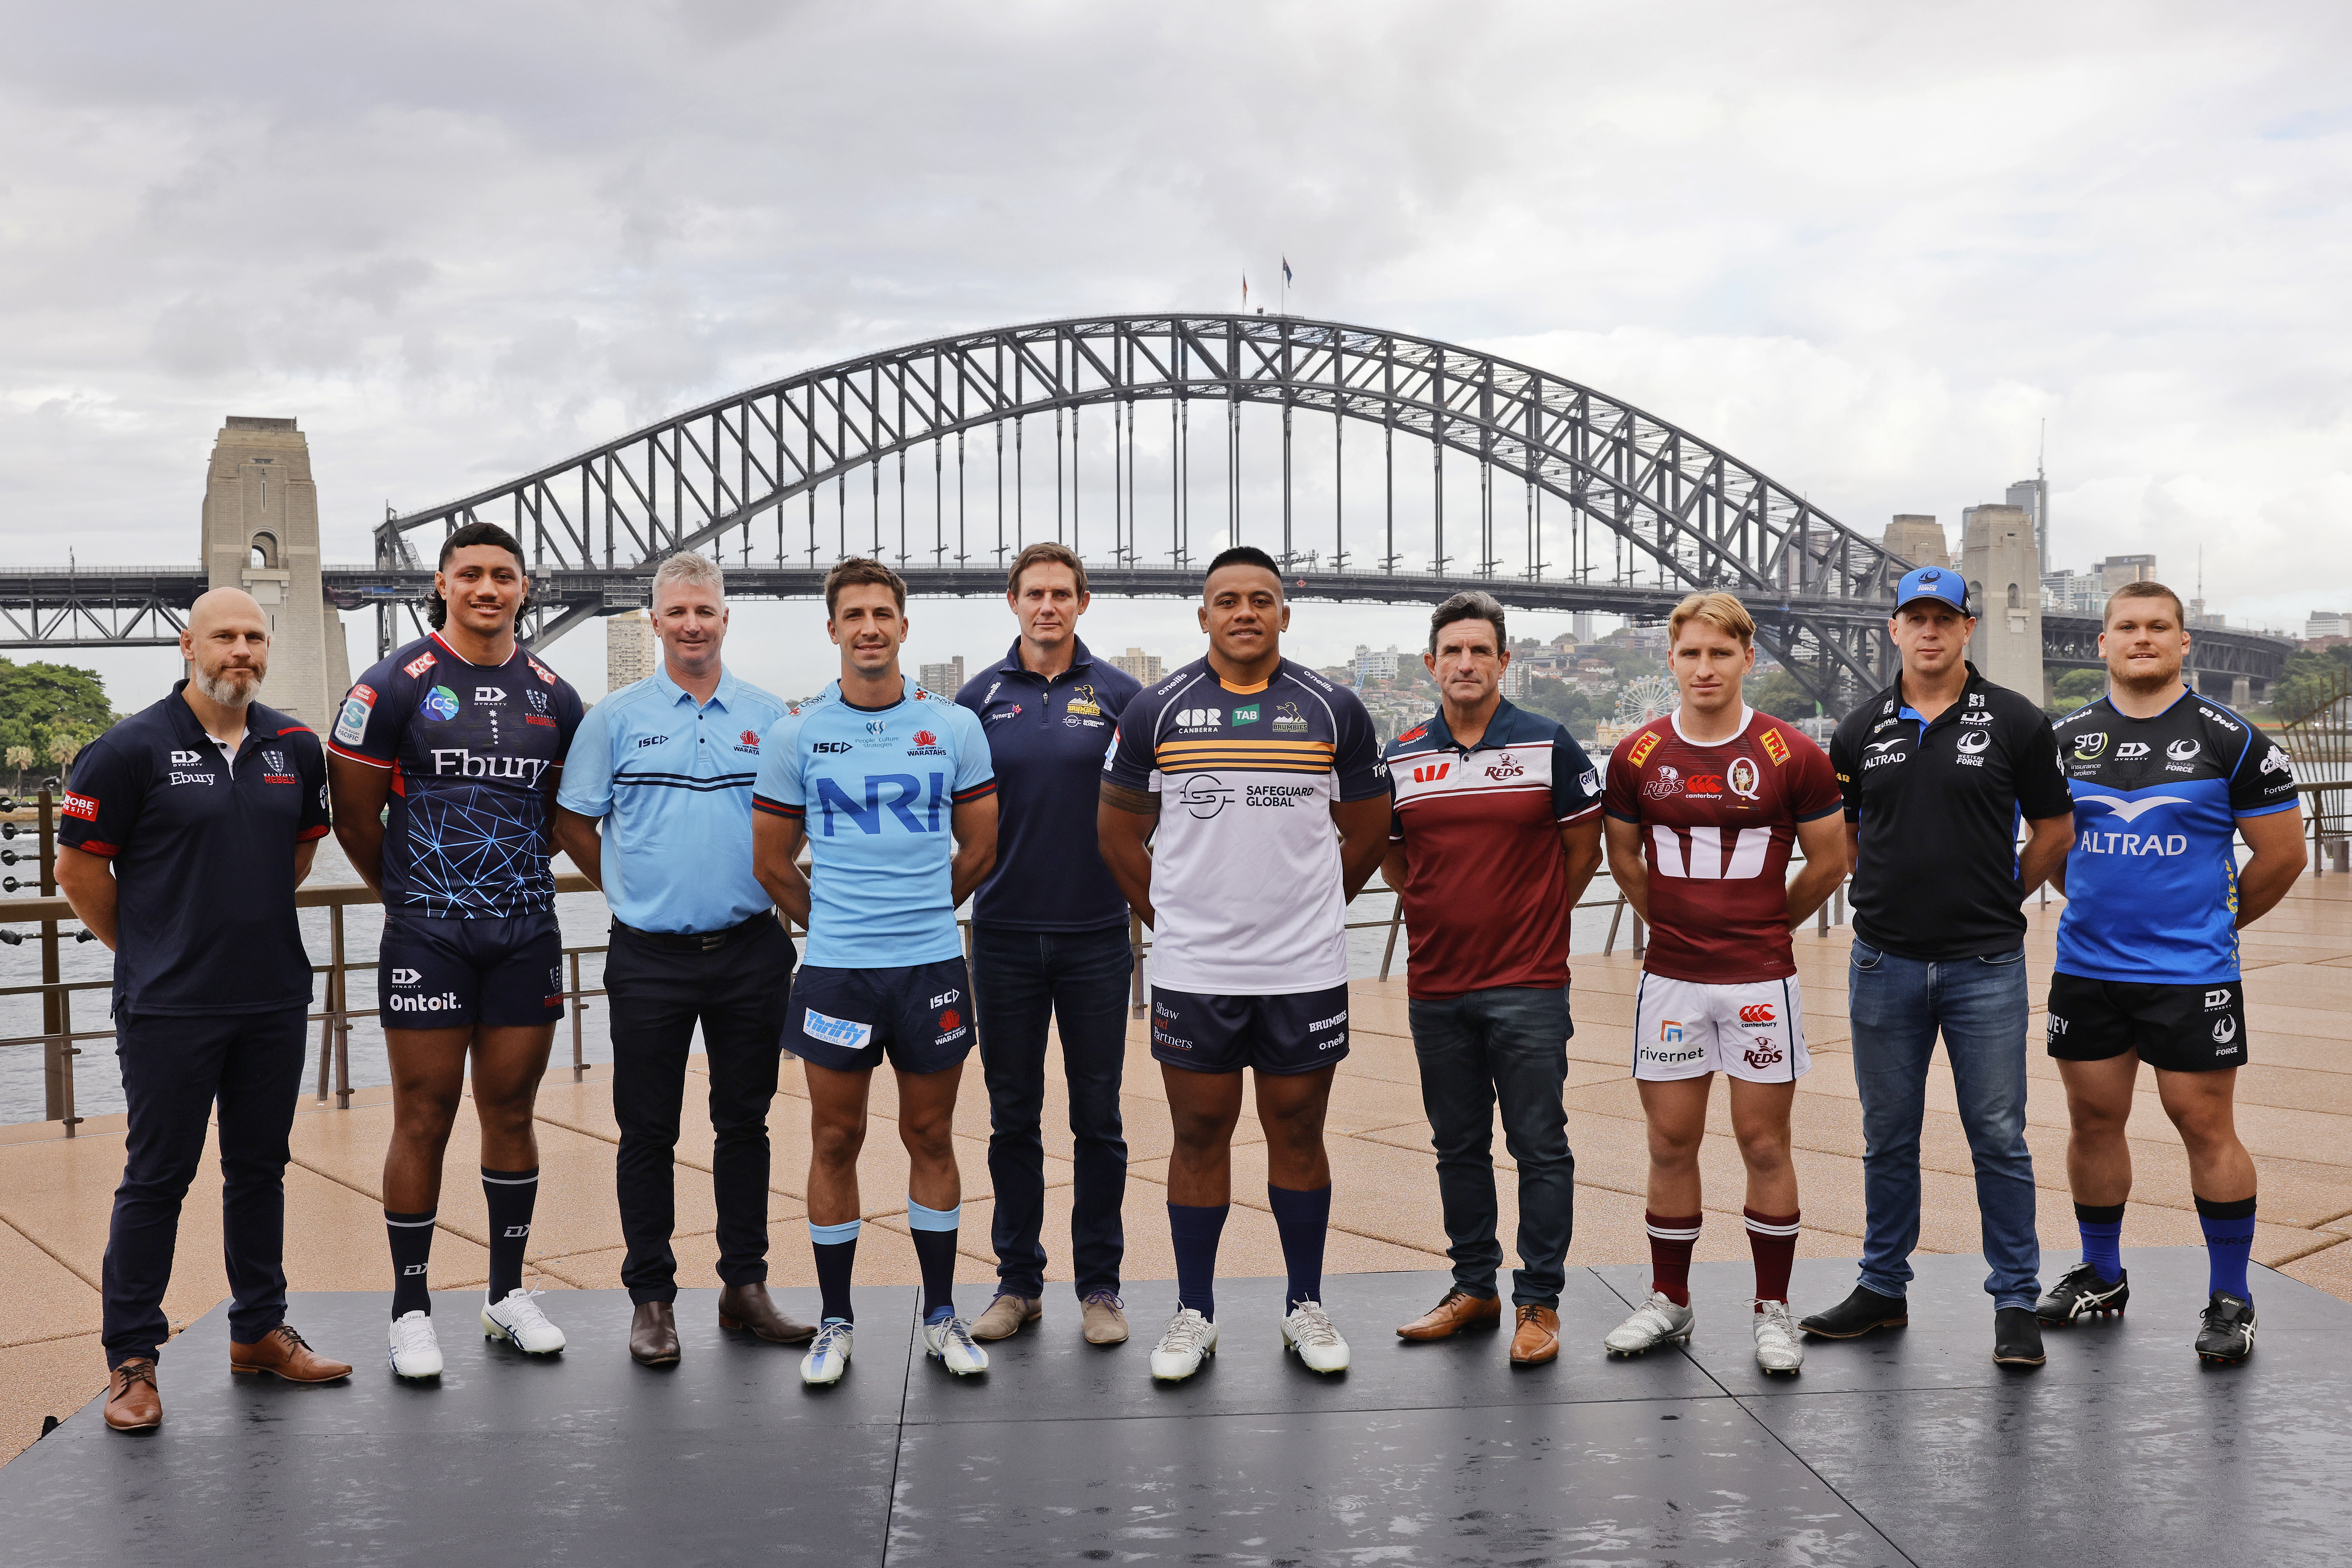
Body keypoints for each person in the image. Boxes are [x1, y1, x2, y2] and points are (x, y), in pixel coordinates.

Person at [56, 588, 355, 1430]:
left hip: (270, 998)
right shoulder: (127, 750)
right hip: (169, 1008)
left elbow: (298, 856)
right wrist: (155, 950)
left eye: (255, 637)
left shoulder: (295, 747)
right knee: (157, 1179)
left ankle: (259, 1330)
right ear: (189, 645)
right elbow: (80, 877)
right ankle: (132, 1362)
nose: (242, 651)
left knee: (260, 1171)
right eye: (224, 635)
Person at [1098, 545, 1390, 1383]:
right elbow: (1116, 835)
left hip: (1302, 968)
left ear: (1284, 614)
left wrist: (1312, 908)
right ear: (1203, 615)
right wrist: (1177, 921)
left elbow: (1370, 829)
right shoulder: (1157, 708)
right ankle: (1196, 1312)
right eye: (1227, 599)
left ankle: (1305, 1304)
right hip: (1196, 969)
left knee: (1298, 1129)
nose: (1245, 612)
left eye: (1261, 598)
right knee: (1198, 1133)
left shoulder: (1335, 707)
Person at [328, 521, 585, 1379]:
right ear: (441, 582)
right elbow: (357, 821)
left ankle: (506, 1294)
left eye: (503, 576)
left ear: (524, 588)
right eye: (470, 574)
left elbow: (561, 817)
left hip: (524, 931)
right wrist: (412, 890)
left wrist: (500, 870)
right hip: (427, 933)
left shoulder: (555, 694)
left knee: (511, 1111)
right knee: (424, 1115)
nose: (487, 588)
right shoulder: (393, 684)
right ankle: (409, 1308)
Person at [1804, 566, 2074, 1367]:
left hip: (1984, 964)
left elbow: (2054, 833)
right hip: (1883, 962)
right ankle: (1882, 1290)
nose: (1928, 631)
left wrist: (2001, 896)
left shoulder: (2019, 722)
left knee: (1998, 1137)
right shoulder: (1857, 730)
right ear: (1893, 629)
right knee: (1887, 1136)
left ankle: (2017, 1302)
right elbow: (1845, 840)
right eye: (1914, 618)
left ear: (1967, 628)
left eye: (1943, 619)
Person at [551, 552, 808, 1367]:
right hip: (650, 956)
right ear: (655, 623)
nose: (692, 624)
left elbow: (797, 823)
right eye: (678, 613)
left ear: (725, 620)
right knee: (647, 1132)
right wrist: (630, 891)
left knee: (746, 1124)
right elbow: (574, 821)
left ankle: (745, 1287)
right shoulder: (615, 718)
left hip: (749, 950)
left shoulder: (773, 718)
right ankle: (652, 1299)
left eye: (706, 611)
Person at [2039, 581, 2303, 1363]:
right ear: (2104, 644)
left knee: (2204, 1124)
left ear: (2184, 642)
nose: (2143, 638)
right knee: (2092, 1122)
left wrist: (2213, 925)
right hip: (2088, 968)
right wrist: (2098, 905)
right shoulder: (2063, 739)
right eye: (2128, 626)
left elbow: (2284, 856)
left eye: (2159, 627)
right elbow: (2053, 851)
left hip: (2192, 974)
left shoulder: (2234, 738)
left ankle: (2231, 1298)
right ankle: (2104, 1274)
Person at [750, 558, 999, 1386]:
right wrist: (842, 927)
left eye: (882, 613)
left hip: (928, 965)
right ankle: (834, 1320)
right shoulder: (798, 733)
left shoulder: (954, 726)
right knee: (834, 1138)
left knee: (930, 1134)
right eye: (852, 614)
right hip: (838, 974)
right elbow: (773, 863)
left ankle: (940, 1313)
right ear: (832, 630)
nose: (868, 627)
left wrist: (925, 911)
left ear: (902, 626)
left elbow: (982, 846)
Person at [1595, 592, 1848, 1375]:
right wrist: (1668, 924)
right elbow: (1625, 860)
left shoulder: (1792, 753)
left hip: (1759, 980)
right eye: (1691, 653)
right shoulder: (1637, 755)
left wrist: (1774, 925)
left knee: (1763, 1142)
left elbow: (1833, 860)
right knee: (1670, 1142)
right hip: (1672, 978)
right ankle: (1670, 1299)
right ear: (1671, 660)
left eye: (1721, 653)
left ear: (1748, 659)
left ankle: (1774, 1309)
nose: (1705, 667)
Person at [1381, 591, 1605, 1366]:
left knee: (1541, 1145)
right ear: (1432, 664)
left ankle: (1538, 1302)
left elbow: (1585, 855)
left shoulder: (1549, 744)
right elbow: (1394, 856)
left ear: (1505, 662)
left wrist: (1532, 917)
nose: (1467, 663)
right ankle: (1473, 1288)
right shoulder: (1403, 754)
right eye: (1454, 651)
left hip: (1528, 984)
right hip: (1437, 986)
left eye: (1482, 651)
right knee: (1457, 1145)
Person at [953, 542, 1143, 1347]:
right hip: (1000, 937)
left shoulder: (1124, 696)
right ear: (1013, 601)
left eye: (1063, 594)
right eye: (1035, 594)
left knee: (1098, 1120)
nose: (1048, 607)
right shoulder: (977, 699)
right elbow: (954, 816)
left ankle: (1100, 1288)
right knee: (1012, 1120)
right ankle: (1017, 1284)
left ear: (1083, 603)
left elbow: (1155, 806)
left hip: (1098, 936)